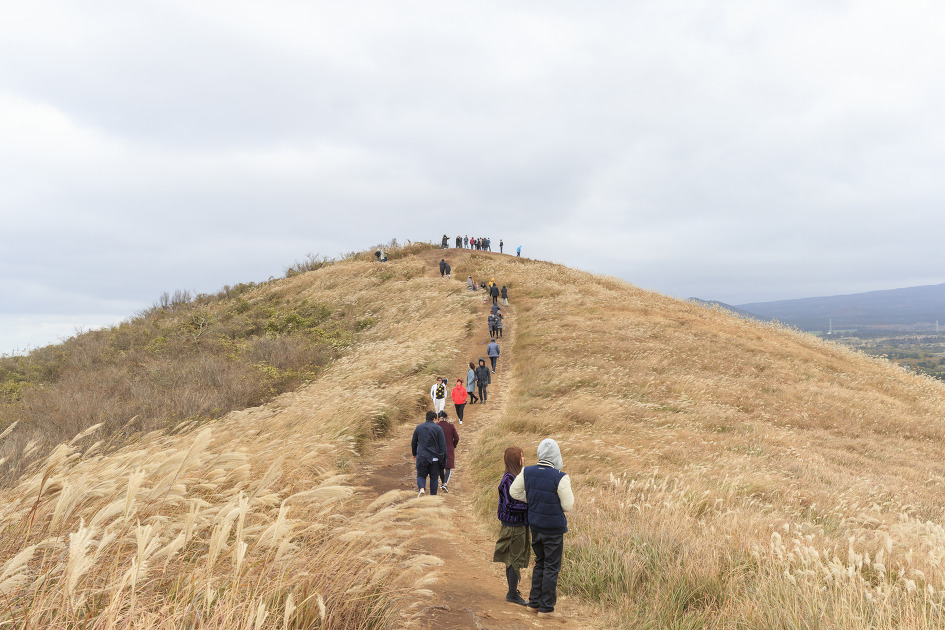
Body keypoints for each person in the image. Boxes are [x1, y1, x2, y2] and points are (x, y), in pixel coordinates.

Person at [509, 439, 574, 616]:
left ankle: (533, 603)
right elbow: (568, 506)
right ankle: (546, 609)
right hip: (553, 529)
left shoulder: (527, 471)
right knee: (552, 566)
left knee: (540, 563)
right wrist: (550, 505)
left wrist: (533, 501)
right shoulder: (560, 477)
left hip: (535, 525)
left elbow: (514, 492)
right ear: (556, 455)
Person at [493, 446, 529, 606]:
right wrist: (530, 506)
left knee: (513, 558)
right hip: (514, 525)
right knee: (514, 558)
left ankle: (513, 591)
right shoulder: (509, 478)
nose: (524, 459)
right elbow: (510, 505)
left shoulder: (514, 476)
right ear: (516, 460)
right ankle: (512, 593)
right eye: (521, 456)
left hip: (515, 523)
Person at [411, 411, 448, 497]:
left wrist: (414, 453)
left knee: (421, 475)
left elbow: (414, 442)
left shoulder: (419, 427)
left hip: (422, 456)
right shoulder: (438, 429)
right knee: (434, 478)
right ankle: (433, 497)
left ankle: (422, 489)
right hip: (434, 458)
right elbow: (443, 445)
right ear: (434, 419)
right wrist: (443, 459)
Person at [436, 411, 460, 492]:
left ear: (439, 418)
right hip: (449, 449)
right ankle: (445, 483)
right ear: (446, 418)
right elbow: (456, 438)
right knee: (448, 467)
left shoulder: (436, 426)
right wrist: (453, 445)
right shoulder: (451, 426)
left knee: (440, 467)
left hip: (438, 449)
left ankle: (443, 483)